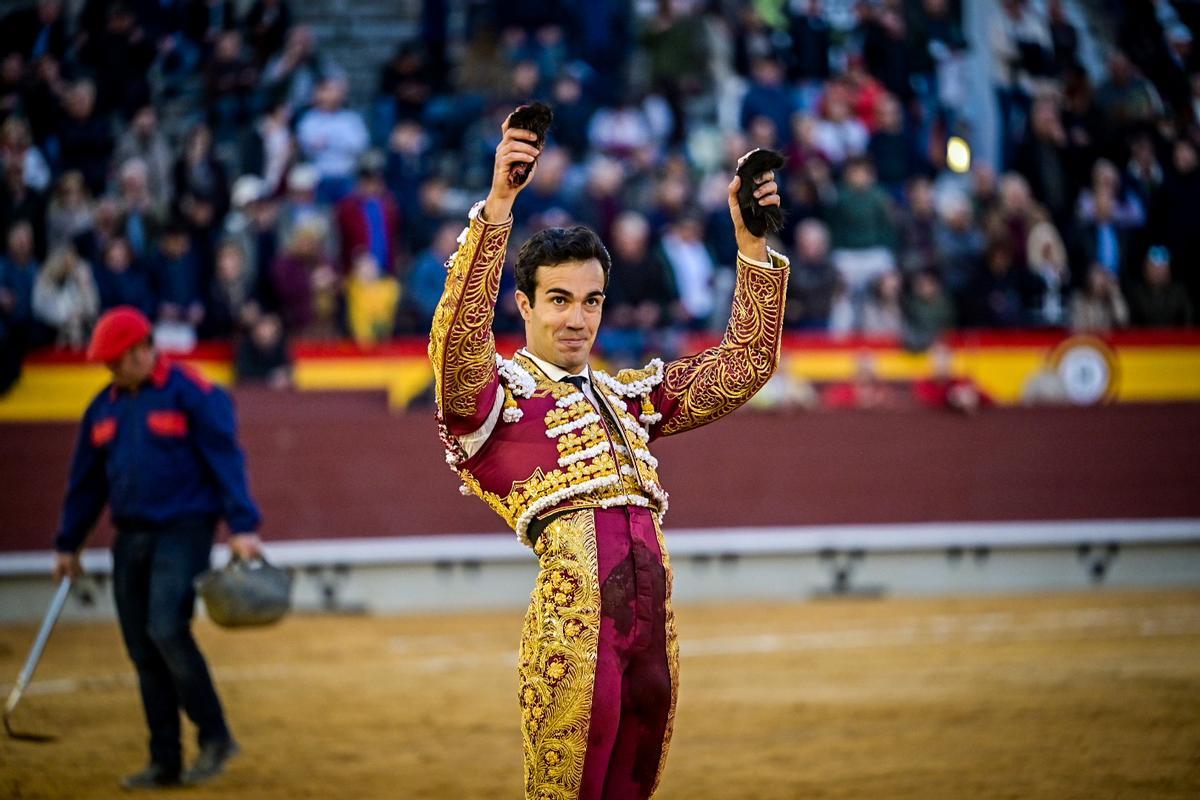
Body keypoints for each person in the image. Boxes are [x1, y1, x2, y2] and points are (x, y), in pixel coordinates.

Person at [429, 114, 788, 800]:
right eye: (559, 300)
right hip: (574, 643)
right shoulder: (492, 401)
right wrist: (499, 205)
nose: (578, 319)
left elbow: (744, 364)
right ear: (525, 305)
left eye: (591, 301)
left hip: (653, 642)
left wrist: (750, 247)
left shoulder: (629, 400)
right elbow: (457, 339)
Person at [52, 306, 264, 789]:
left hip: (184, 529)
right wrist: (69, 543)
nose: (110, 370)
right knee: (143, 649)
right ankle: (164, 760)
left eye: (116, 361)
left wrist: (242, 526)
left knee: (167, 628)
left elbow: (226, 459)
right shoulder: (103, 407)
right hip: (129, 536)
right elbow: (85, 484)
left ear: (144, 350)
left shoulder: (193, 392)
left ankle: (215, 737)